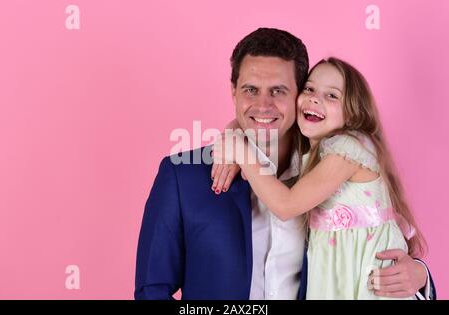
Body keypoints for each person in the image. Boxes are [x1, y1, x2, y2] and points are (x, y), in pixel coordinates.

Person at [135, 28, 436, 299]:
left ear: (300, 96)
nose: (263, 105)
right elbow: (152, 289)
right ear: (233, 92)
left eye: (278, 91)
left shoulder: (328, 175)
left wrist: (420, 275)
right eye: (250, 90)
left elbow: (376, 241)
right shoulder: (182, 176)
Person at [212, 56, 433, 299]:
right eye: (309, 89)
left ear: (352, 113)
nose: (315, 98)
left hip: (369, 284)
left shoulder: (349, 147)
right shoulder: (311, 151)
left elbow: (286, 206)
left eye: (332, 96)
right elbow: (258, 117)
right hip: (336, 281)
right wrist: (233, 129)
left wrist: (240, 150)